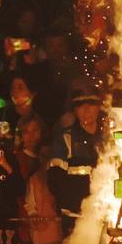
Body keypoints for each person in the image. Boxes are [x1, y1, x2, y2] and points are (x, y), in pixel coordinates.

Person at [45, 91, 104, 229]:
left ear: (99, 107)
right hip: (76, 218)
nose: (86, 109)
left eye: (91, 103)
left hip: (104, 213)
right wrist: (70, 205)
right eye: (80, 104)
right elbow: (54, 180)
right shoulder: (65, 139)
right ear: (75, 110)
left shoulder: (108, 137)